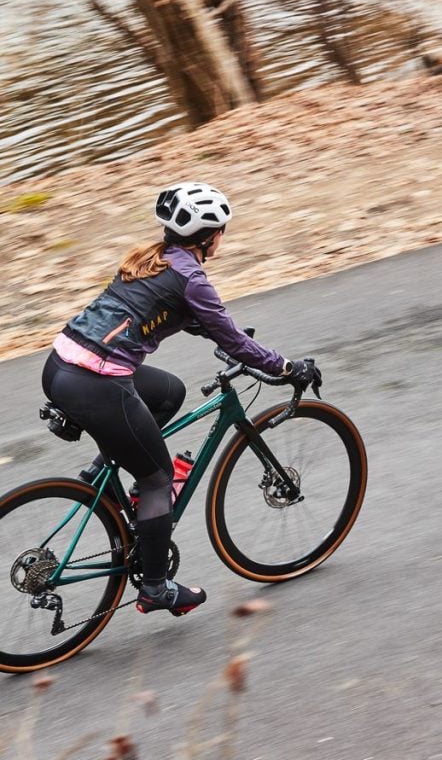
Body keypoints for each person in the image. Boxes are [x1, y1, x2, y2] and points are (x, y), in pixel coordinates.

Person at [41, 182, 321, 616]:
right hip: (96, 383)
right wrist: (286, 367)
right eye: (222, 231)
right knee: (157, 480)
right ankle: (155, 588)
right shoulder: (191, 277)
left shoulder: (146, 259)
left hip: (59, 366)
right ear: (210, 236)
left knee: (169, 391)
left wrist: (216, 332)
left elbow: (165, 311)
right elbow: (229, 336)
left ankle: (106, 476)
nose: (222, 237)